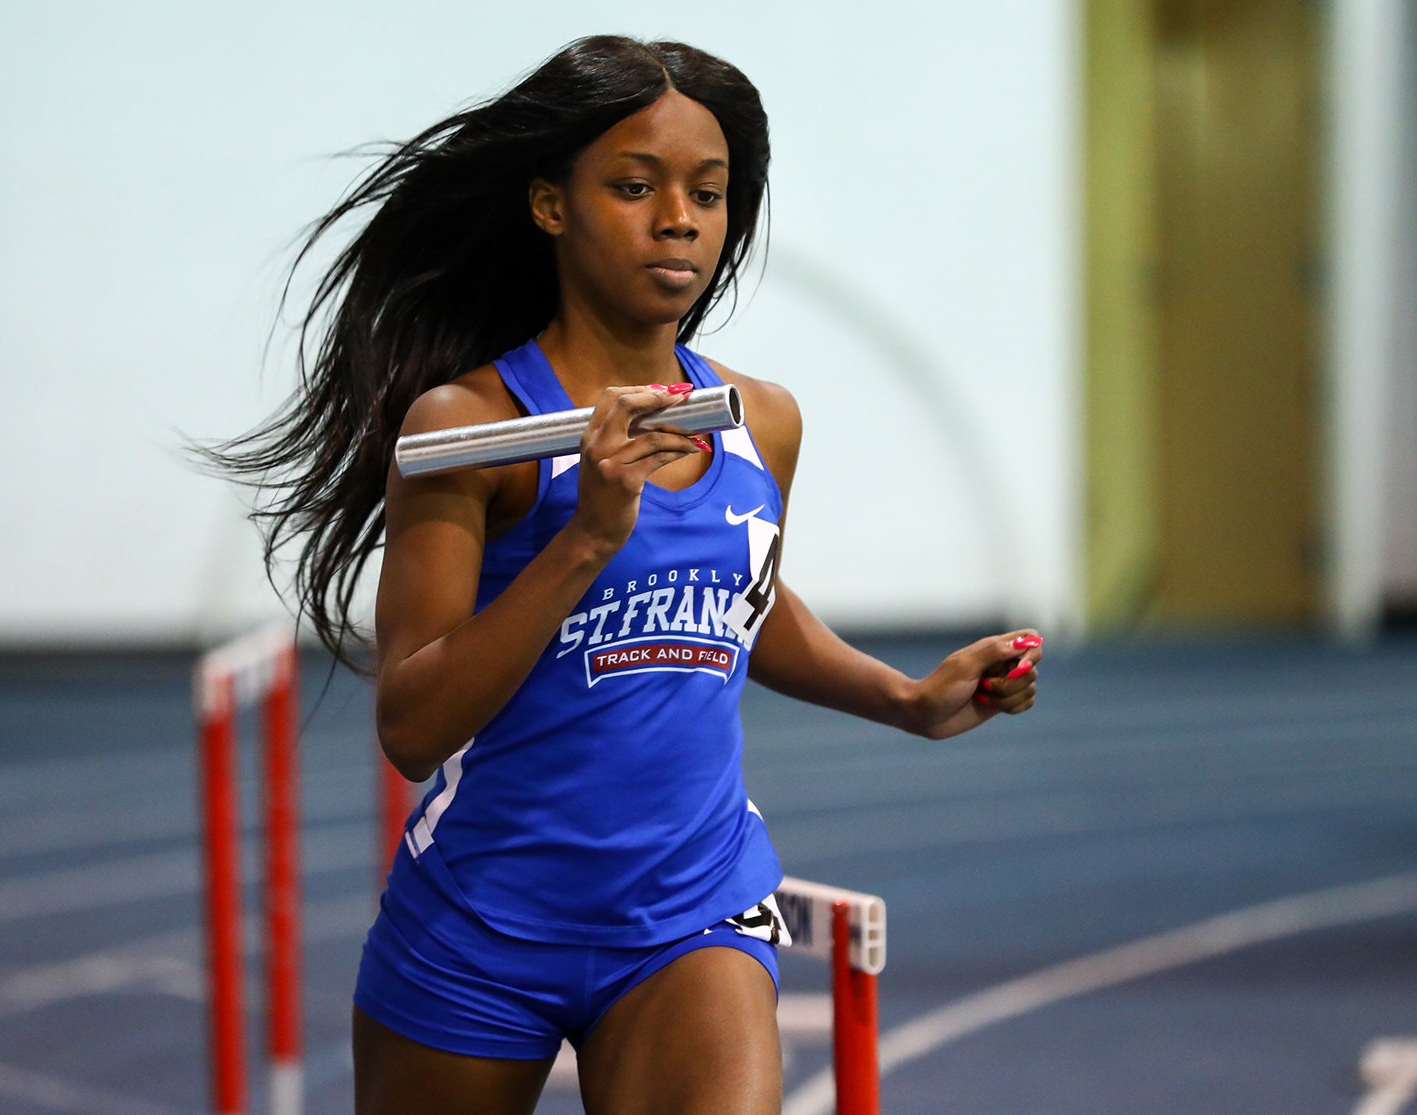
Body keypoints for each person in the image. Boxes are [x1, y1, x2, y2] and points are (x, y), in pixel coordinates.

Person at [217, 34, 1043, 1115]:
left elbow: (744, 600)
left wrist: (902, 697)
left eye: (707, 193)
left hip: (689, 914)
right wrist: (582, 541)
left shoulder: (762, 421)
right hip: (482, 920)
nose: (677, 219)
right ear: (550, 205)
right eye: (632, 186)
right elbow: (411, 725)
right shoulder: (469, 427)